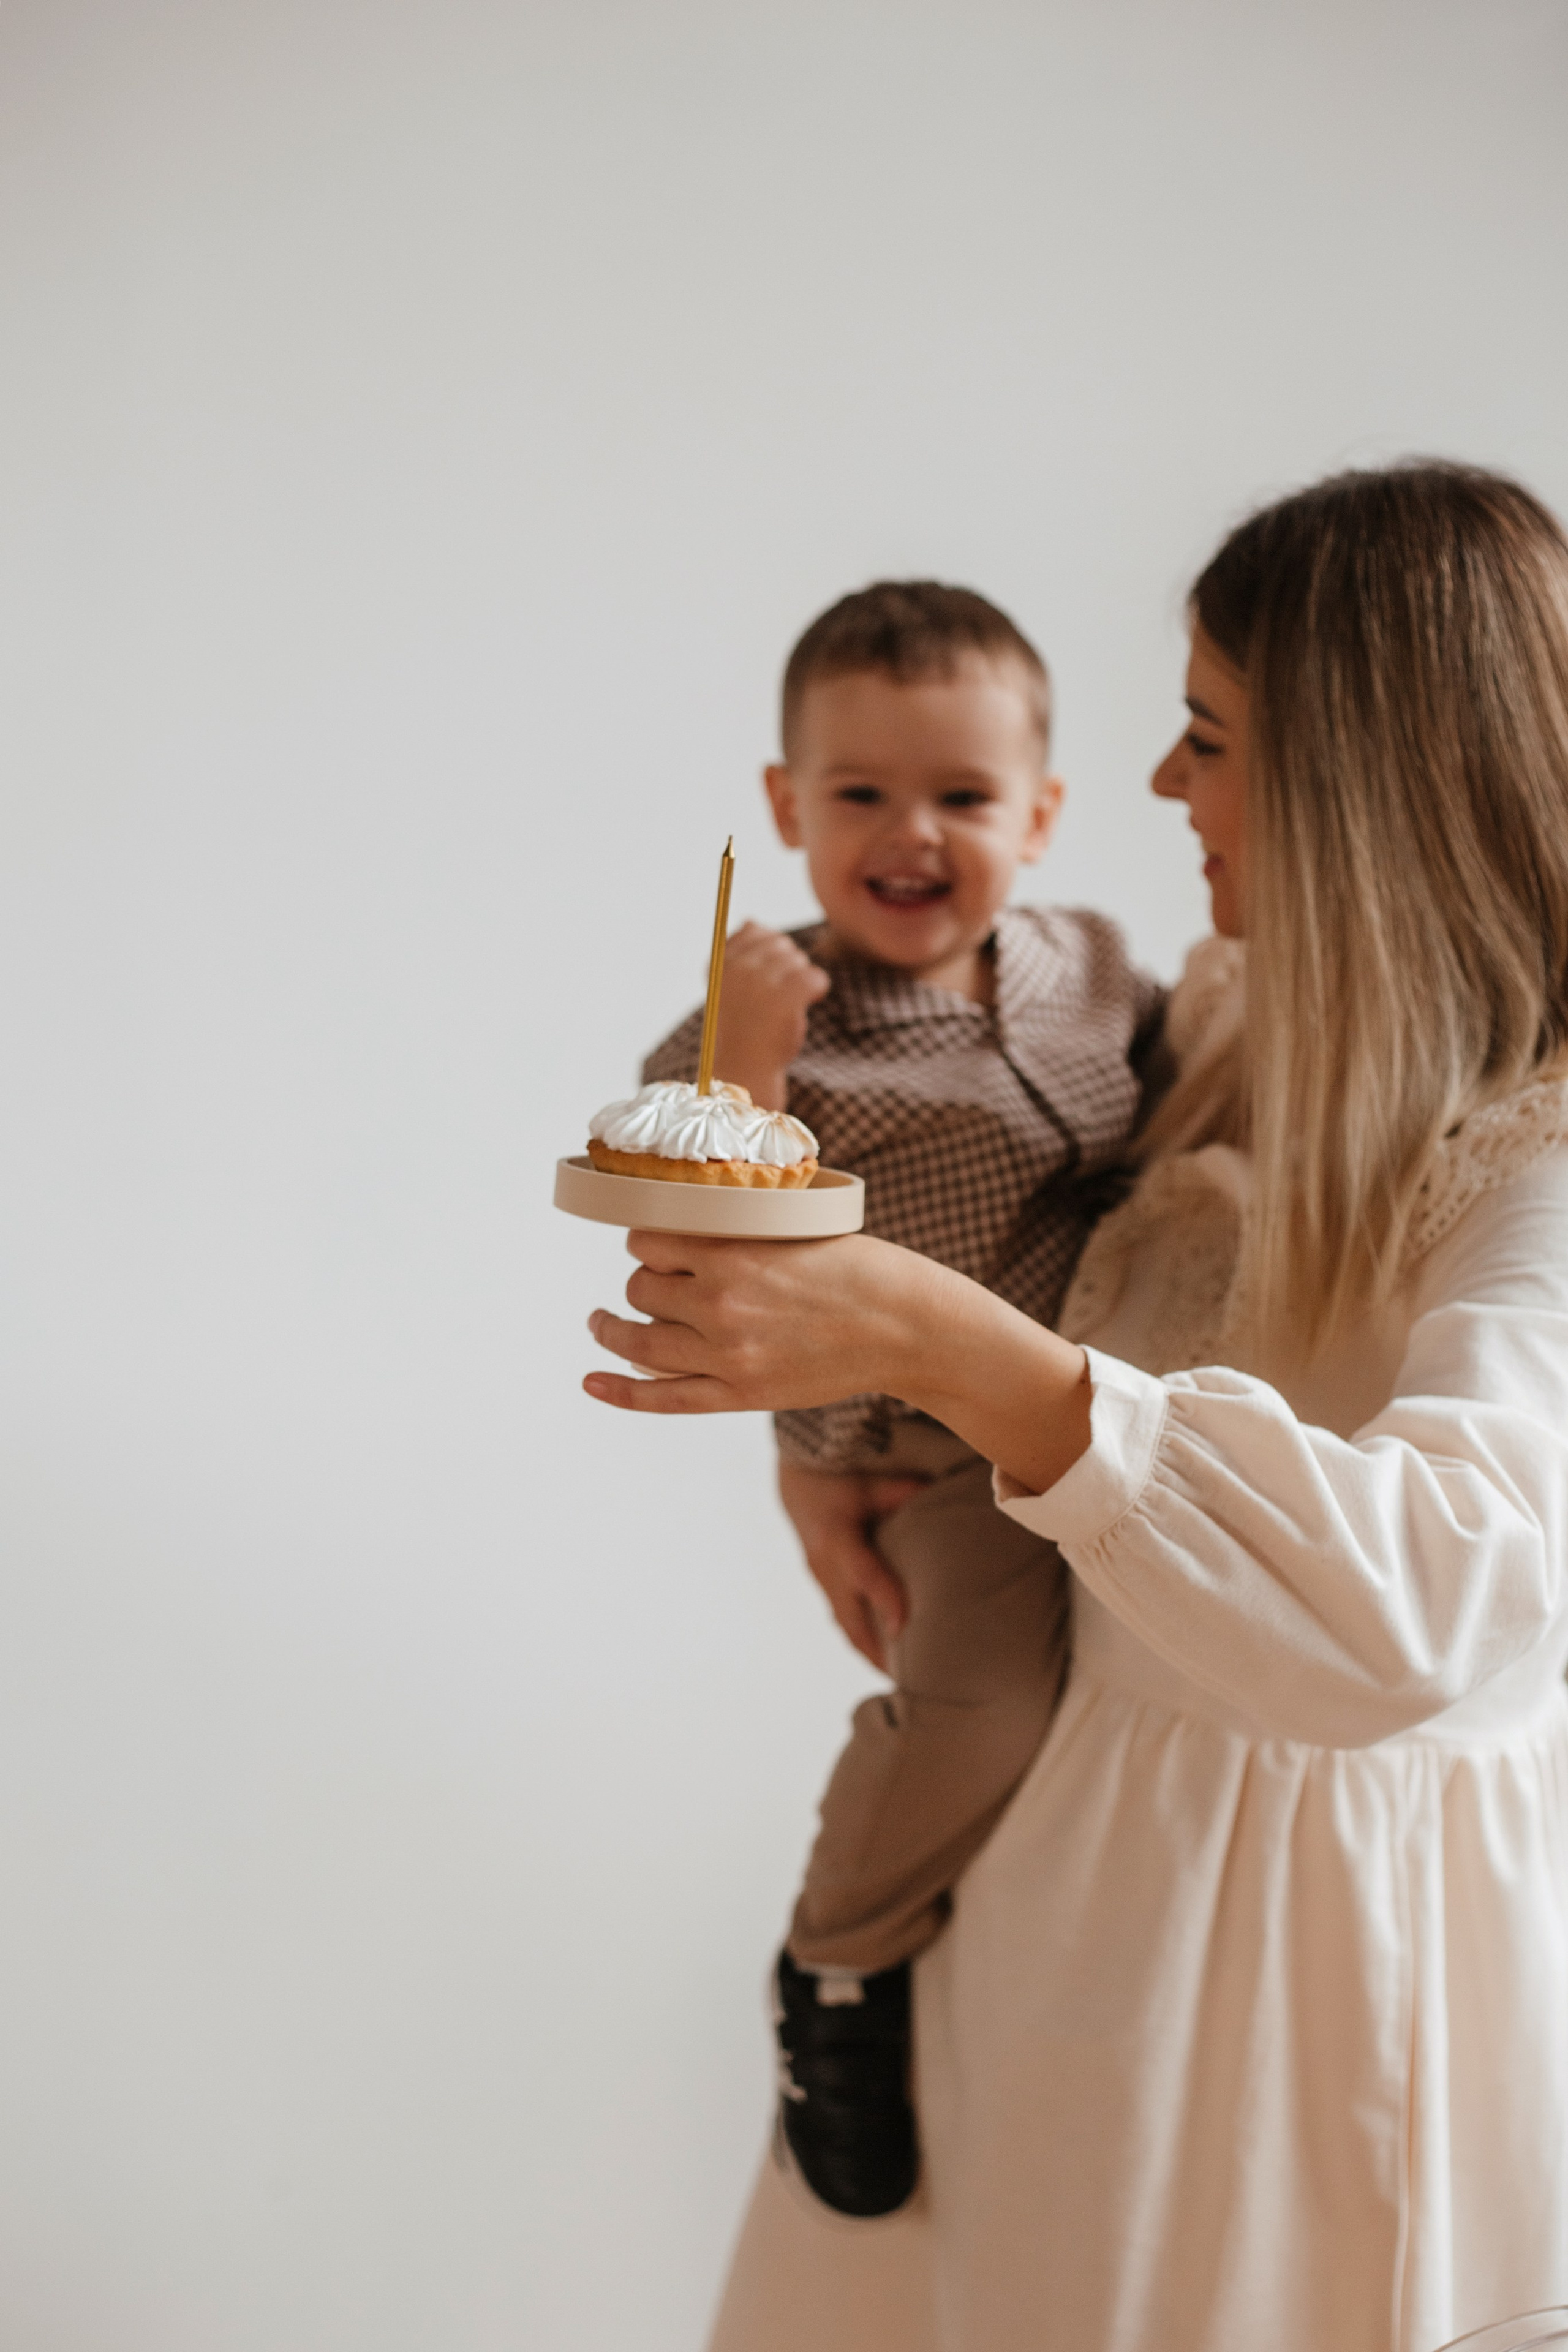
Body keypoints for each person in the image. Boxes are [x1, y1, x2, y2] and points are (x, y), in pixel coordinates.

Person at [585, 464, 1568, 2351]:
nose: (1162, 790)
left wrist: (928, 1341)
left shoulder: (1533, 1164)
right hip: (1048, 1917)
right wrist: (842, 1447)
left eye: (1209, 737)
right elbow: (1037, 1273)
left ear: (1364, 781)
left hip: (1295, 2014)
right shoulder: (1226, 1024)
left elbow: (1436, 1605)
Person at [639, 579, 1165, 2215]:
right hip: (927, 1445)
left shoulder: (1087, 963)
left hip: (1108, 1393)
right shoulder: (761, 1015)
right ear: (787, 809)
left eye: (963, 797)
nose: (911, 835)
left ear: (1044, 814)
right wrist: (749, 1070)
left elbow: (1183, 1080)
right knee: (982, 1703)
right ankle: (839, 1960)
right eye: (860, 794)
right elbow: (708, 1215)